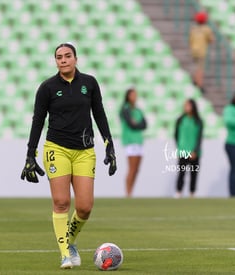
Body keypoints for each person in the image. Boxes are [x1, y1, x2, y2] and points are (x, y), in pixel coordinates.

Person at [20, 43, 117, 269]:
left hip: (84, 151)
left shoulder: (89, 83)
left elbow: (99, 113)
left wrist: (109, 143)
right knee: (61, 202)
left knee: (84, 207)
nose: (63, 60)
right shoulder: (47, 88)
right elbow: (37, 121)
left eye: (67, 56)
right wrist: (30, 154)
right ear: (56, 61)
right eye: (59, 57)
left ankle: (70, 242)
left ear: (75, 58)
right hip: (57, 149)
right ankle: (65, 254)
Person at [119, 87, 147, 197]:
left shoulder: (138, 110)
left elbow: (144, 125)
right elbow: (131, 124)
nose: (134, 97)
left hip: (139, 140)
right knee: (132, 168)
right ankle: (128, 192)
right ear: (128, 96)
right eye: (132, 95)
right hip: (130, 140)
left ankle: (131, 191)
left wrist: (137, 124)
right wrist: (136, 124)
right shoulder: (125, 109)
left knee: (136, 169)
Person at [174, 99, 203, 198]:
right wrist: (180, 147)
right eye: (185, 105)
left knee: (193, 173)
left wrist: (195, 151)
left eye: (188, 105)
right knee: (181, 172)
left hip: (194, 152)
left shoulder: (198, 121)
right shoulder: (180, 120)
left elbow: (199, 137)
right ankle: (179, 191)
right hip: (183, 151)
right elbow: (176, 135)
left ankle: (192, 192)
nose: (186, 107)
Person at [189, 11, 215, 94]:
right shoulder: (206, 29)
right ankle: (199, 85)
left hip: (194, 50)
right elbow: (211, 40)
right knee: (200, 68)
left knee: (196, 67)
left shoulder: (193, 29)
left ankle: (195, 80)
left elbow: (190, 40)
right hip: (201, 51)